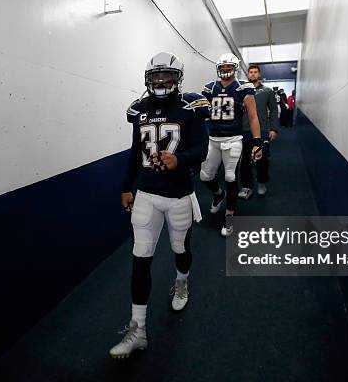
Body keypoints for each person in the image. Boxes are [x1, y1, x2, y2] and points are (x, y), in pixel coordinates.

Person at [111, 52, 210, 359]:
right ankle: (138, 329)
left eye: (166, 76)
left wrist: (179, 159)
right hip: (147, 194)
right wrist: (126, 186)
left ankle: (182, 282)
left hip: (179, 194)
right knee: (140, 257)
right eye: (155, 77)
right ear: (148, 79)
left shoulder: (190, 107)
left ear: (178, 79)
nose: (160, 81)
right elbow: (133, 151)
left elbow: (202, 149)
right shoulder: (139, 110)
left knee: (180, 249)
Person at [200, 53, 263, 237]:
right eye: (223, 68)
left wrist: (257, 141)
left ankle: (229, 217)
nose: (225, 71)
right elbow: (202, 114)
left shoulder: (243, 87)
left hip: (233, 139)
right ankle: (218, 194)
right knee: (205, 176)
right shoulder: (209, 88)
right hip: (213, 139)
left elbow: (252, 116)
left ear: (235, 68)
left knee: (230, 177)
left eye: (229, 68)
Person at [238, 64, 279, 199]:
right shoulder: (241, 91)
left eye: (256, 72)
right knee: (244, 161)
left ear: (259, 75)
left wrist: (273, 129)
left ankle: (261, 182)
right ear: (248, 75)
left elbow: (273, 110)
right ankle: (246, 187)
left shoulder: (267, 91)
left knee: (261, 159)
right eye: (251, 72)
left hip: (262, 131)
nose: (253, 74)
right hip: (243, 130)